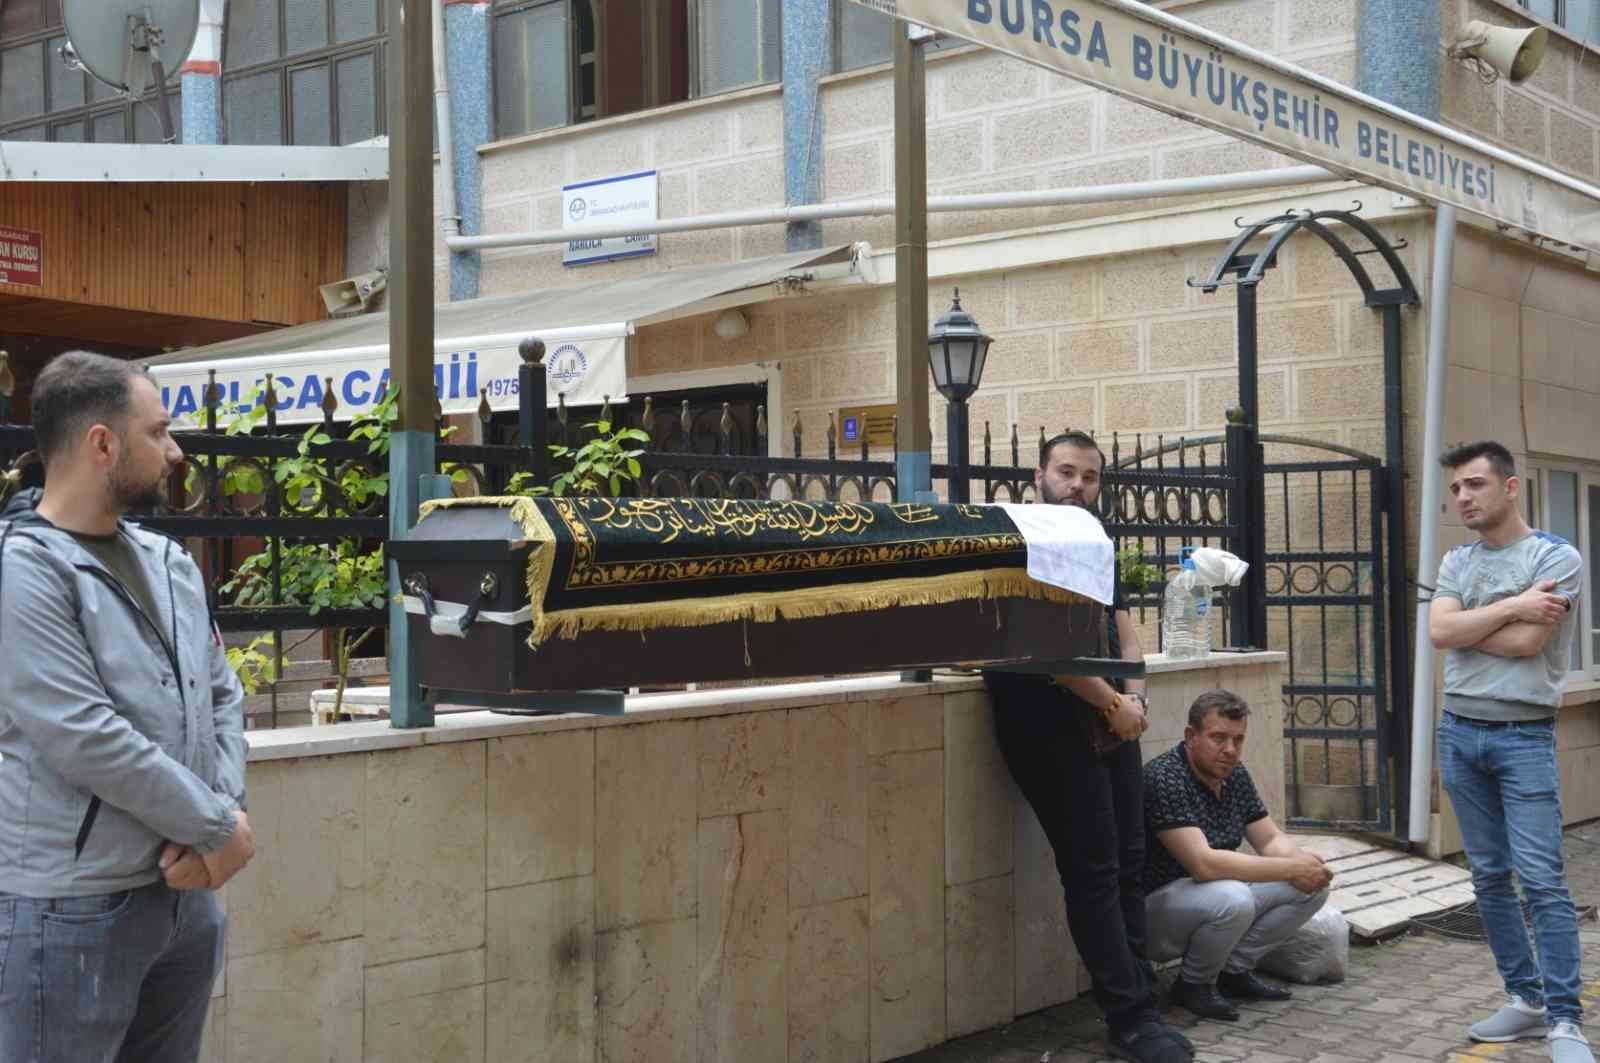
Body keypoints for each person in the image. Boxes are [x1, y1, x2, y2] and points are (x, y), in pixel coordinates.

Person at [0, 350, 256, 1063]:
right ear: (102, 443)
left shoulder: (168, 561)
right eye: (159, 431)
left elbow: (221, 690)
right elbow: (83, 733)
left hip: (184, 899)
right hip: (71, 909)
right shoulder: (22, 569)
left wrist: (224, 820)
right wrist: (213, 826)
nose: (175, 450)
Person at [984, 431, 1192, 1063]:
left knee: (1129, 860)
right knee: (1095, 870)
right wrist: (1113, 703)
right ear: (1038, 478)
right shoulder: (1019, 541)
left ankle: (1142, 1002)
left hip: (1111, 718)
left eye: (1090, 476)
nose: (1078, 486)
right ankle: (1129, 1020)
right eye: (1066, 473)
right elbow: (1041, 652)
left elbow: (1123, 628)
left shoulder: (1095, 541)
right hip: (1047, 724)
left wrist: (1134, 699)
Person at [1429, 440, 1590, 1063]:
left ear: (1511, 486)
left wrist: (1480, 620)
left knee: (1543, 881)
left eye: (1474, 485)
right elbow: (1441, 632)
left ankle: (1565, 1021)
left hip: (1523, 736)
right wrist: (1514, 605)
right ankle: (1524, 1000)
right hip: (1458, 731)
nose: (1463, 498)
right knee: (1490, 878)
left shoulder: (1556, 556)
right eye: (1456, 491)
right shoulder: (1456, 559)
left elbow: (1527, 642)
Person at [1142, 689, 1332, 1021]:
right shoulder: (1165, 777)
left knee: (1309, 886)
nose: (1229, 750)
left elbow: (1270, 838)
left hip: (1207, 898)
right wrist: (1290, 868)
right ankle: (1193, 986)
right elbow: (1203, 864)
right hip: (1154, 913)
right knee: (1234, 897)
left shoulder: (1233, 774)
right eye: (1218, 738)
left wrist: (1304, 865)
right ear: (1191, 736)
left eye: (1238, 740)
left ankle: (1232, 972)